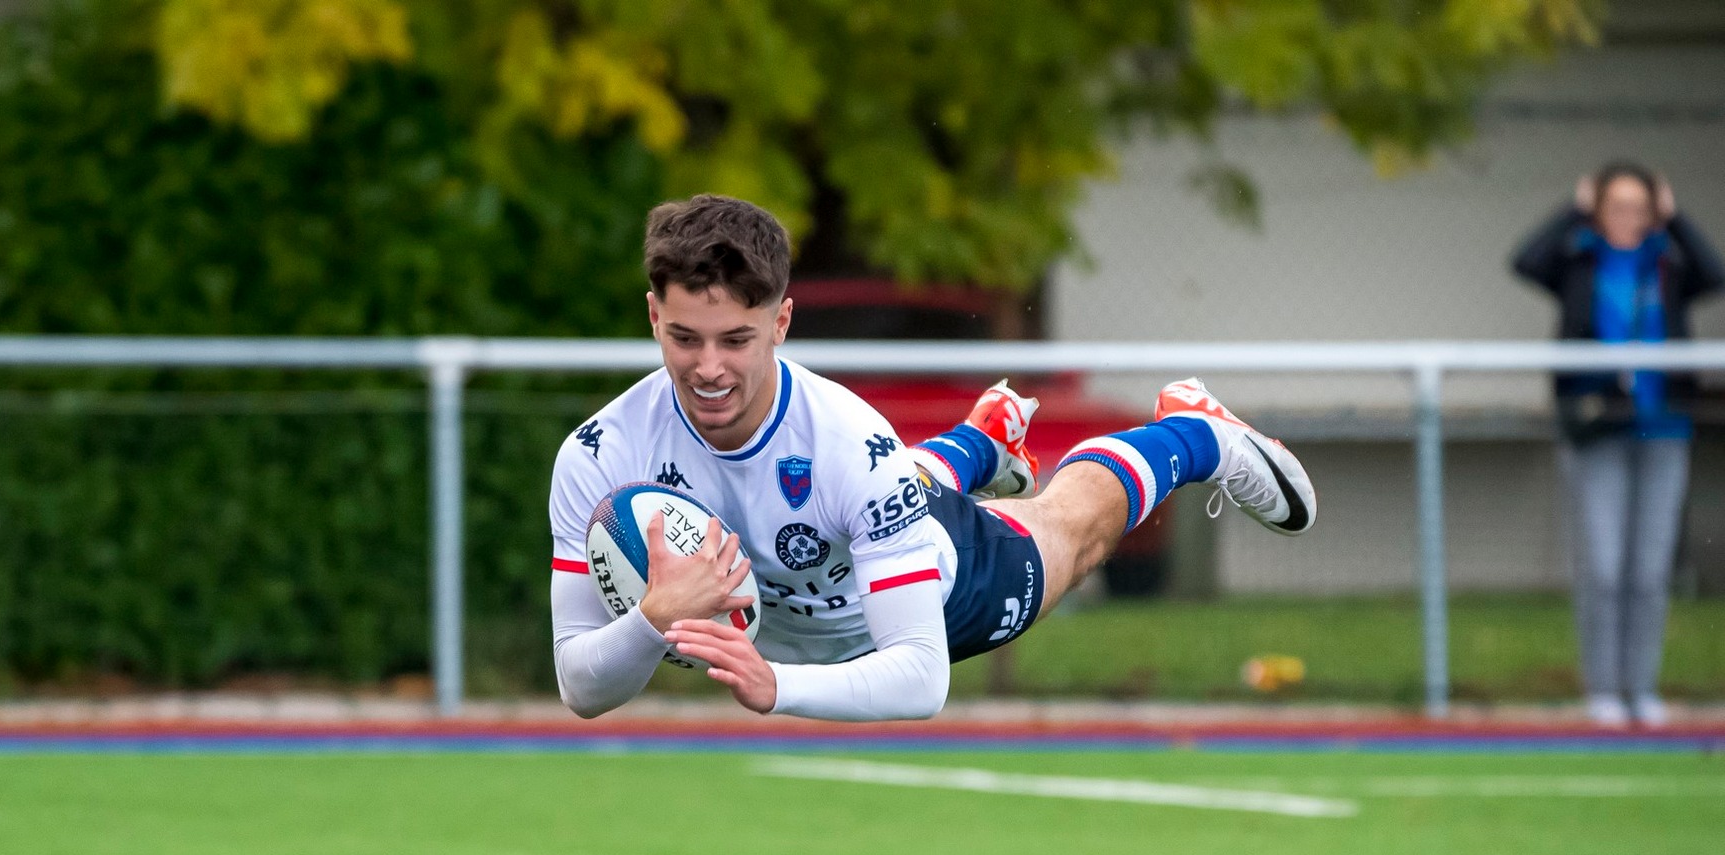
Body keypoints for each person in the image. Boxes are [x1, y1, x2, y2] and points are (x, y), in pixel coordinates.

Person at [548, 195, 1317, 722]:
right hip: (853, 529)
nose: (709, 367)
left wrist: (776, 683)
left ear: (780, 323)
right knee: (867, 498)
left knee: (1072, 530)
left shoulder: (847, 444)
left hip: (948, 590)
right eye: (684, 337)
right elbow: (580, 685)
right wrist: (653, 618)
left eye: (736, 340)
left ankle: (1191, 434)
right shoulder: (600, 454)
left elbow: (920, 676)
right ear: (653, 314)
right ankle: (983, 441)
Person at [1512, 163, 1724, 728]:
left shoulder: (1668, 262)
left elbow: (1715, 273)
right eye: (1616, 206)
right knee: (1604, 568)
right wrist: (1573, 211)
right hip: (1598, 429)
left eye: (1640, 207)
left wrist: (1676, 221)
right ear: (1598, 210)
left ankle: (1641, 688)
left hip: (1664, 427)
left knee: (1649, 572)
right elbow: (1526, 261)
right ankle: (1604, 690)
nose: (1629, 217)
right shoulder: (1579, 260)